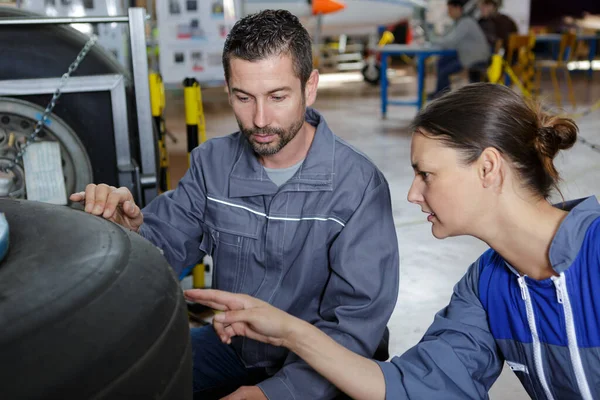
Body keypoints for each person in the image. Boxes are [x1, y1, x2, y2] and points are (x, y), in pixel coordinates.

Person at [186, 83, 600, 399]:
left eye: (426, 174)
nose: (413, 193)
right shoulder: (487, 287)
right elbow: (411, 386)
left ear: (488, 168)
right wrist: (290, 332)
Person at [70, 9, 400, 400]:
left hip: (328, 360)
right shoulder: (213, 164)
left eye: (277, 96)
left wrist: (273, 394)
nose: (260, 120)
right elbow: (165, 247)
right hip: (240, 347)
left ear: (309, 87)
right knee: (129, 382)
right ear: (228, 90)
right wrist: (130, 231)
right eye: (244, 98)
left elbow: (355, 324)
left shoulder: (358, 186)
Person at [429, 0, 491, 99]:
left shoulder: (466, 22)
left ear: (458, 9)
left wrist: (432, 40)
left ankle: (442, 96)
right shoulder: (462, 21)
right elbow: (452, 41)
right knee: (442, 61)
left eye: (450, 10)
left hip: (475, 58)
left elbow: (451, 41)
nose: (448, 13)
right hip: (470, 55)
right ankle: (441, 93)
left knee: (444, 70)